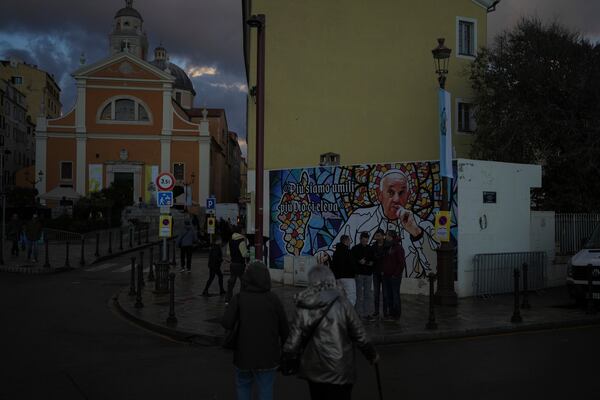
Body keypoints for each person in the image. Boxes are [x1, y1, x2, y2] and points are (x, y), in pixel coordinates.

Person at [318, 169, 437, 279]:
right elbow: (336, 249)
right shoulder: (359, 218)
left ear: (408, 195)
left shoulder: (420, 226)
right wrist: (327, 256)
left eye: (401, 193)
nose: (396, 199)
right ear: (379, 194)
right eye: (390, 192)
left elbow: (435, 269)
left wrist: (416, 233)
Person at [283, 265, 379, 400]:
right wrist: (372, 355)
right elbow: (360, 335)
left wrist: (288, 359)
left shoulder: (304, 306)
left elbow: (293, 341)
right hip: (341, 368)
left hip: (314, 371)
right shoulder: (343, 303)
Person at [222, 261, 289, 400]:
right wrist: (285, 349)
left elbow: (227, 323)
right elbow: (285, 328)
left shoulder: (239, 298)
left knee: (243, 385)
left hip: (244, 353)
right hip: (268, 355)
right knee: (265, 388)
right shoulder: (273, 299)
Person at [382, 230, 406, 321]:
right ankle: (391, 313)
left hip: (394, 276)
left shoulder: (398, 248)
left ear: (391, 237)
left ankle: (396, 315)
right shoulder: (388, 246)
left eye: (387, 236)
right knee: (389, 295)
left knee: (395, 295)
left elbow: (401, 263)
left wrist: (395, 274)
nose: (385, 237)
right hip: (387, 275)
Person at [352, 232, 375, 320]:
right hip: (359, 274)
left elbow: (373, 261)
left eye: (367, 240)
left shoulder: (370, 249)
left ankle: (367, 314)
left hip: (368, 274)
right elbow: (353, 261)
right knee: (359, 295)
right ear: (360, 239)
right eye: (364, 240)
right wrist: (360, 262)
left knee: (367, 294)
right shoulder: (355, 248)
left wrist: (364, 262)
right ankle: (357, 314)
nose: (365, 242)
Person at [330, 235, 356, 306]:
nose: (350, 242)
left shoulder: (336, 252)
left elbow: (333, 265)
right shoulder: (348, 252)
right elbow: (352, 264)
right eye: (349, 240)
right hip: (348, 277)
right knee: (351, 296)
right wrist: (355, 272)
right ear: (346, 241)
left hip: (338, 278)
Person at [225, 225, 249, 303]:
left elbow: (228, 253)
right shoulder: (241, 241)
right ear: (240, 231)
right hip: (240, 264)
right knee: (243, 282)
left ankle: (227, 299)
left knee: (231, 282)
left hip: (233, 264)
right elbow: (244, 254)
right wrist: (250, 253)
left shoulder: (230, 241)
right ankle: (242, 298)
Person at [370, 229, 388, 319]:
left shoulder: (387, 245)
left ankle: (385, 312)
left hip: (384, 273)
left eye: (379, 235)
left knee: (385, 294)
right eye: (376, 235)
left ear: (383, 236)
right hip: (376, 272)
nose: (377, 237)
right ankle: (376, 311)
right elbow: (372, 257)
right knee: (376, 294)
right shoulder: (374, 245)